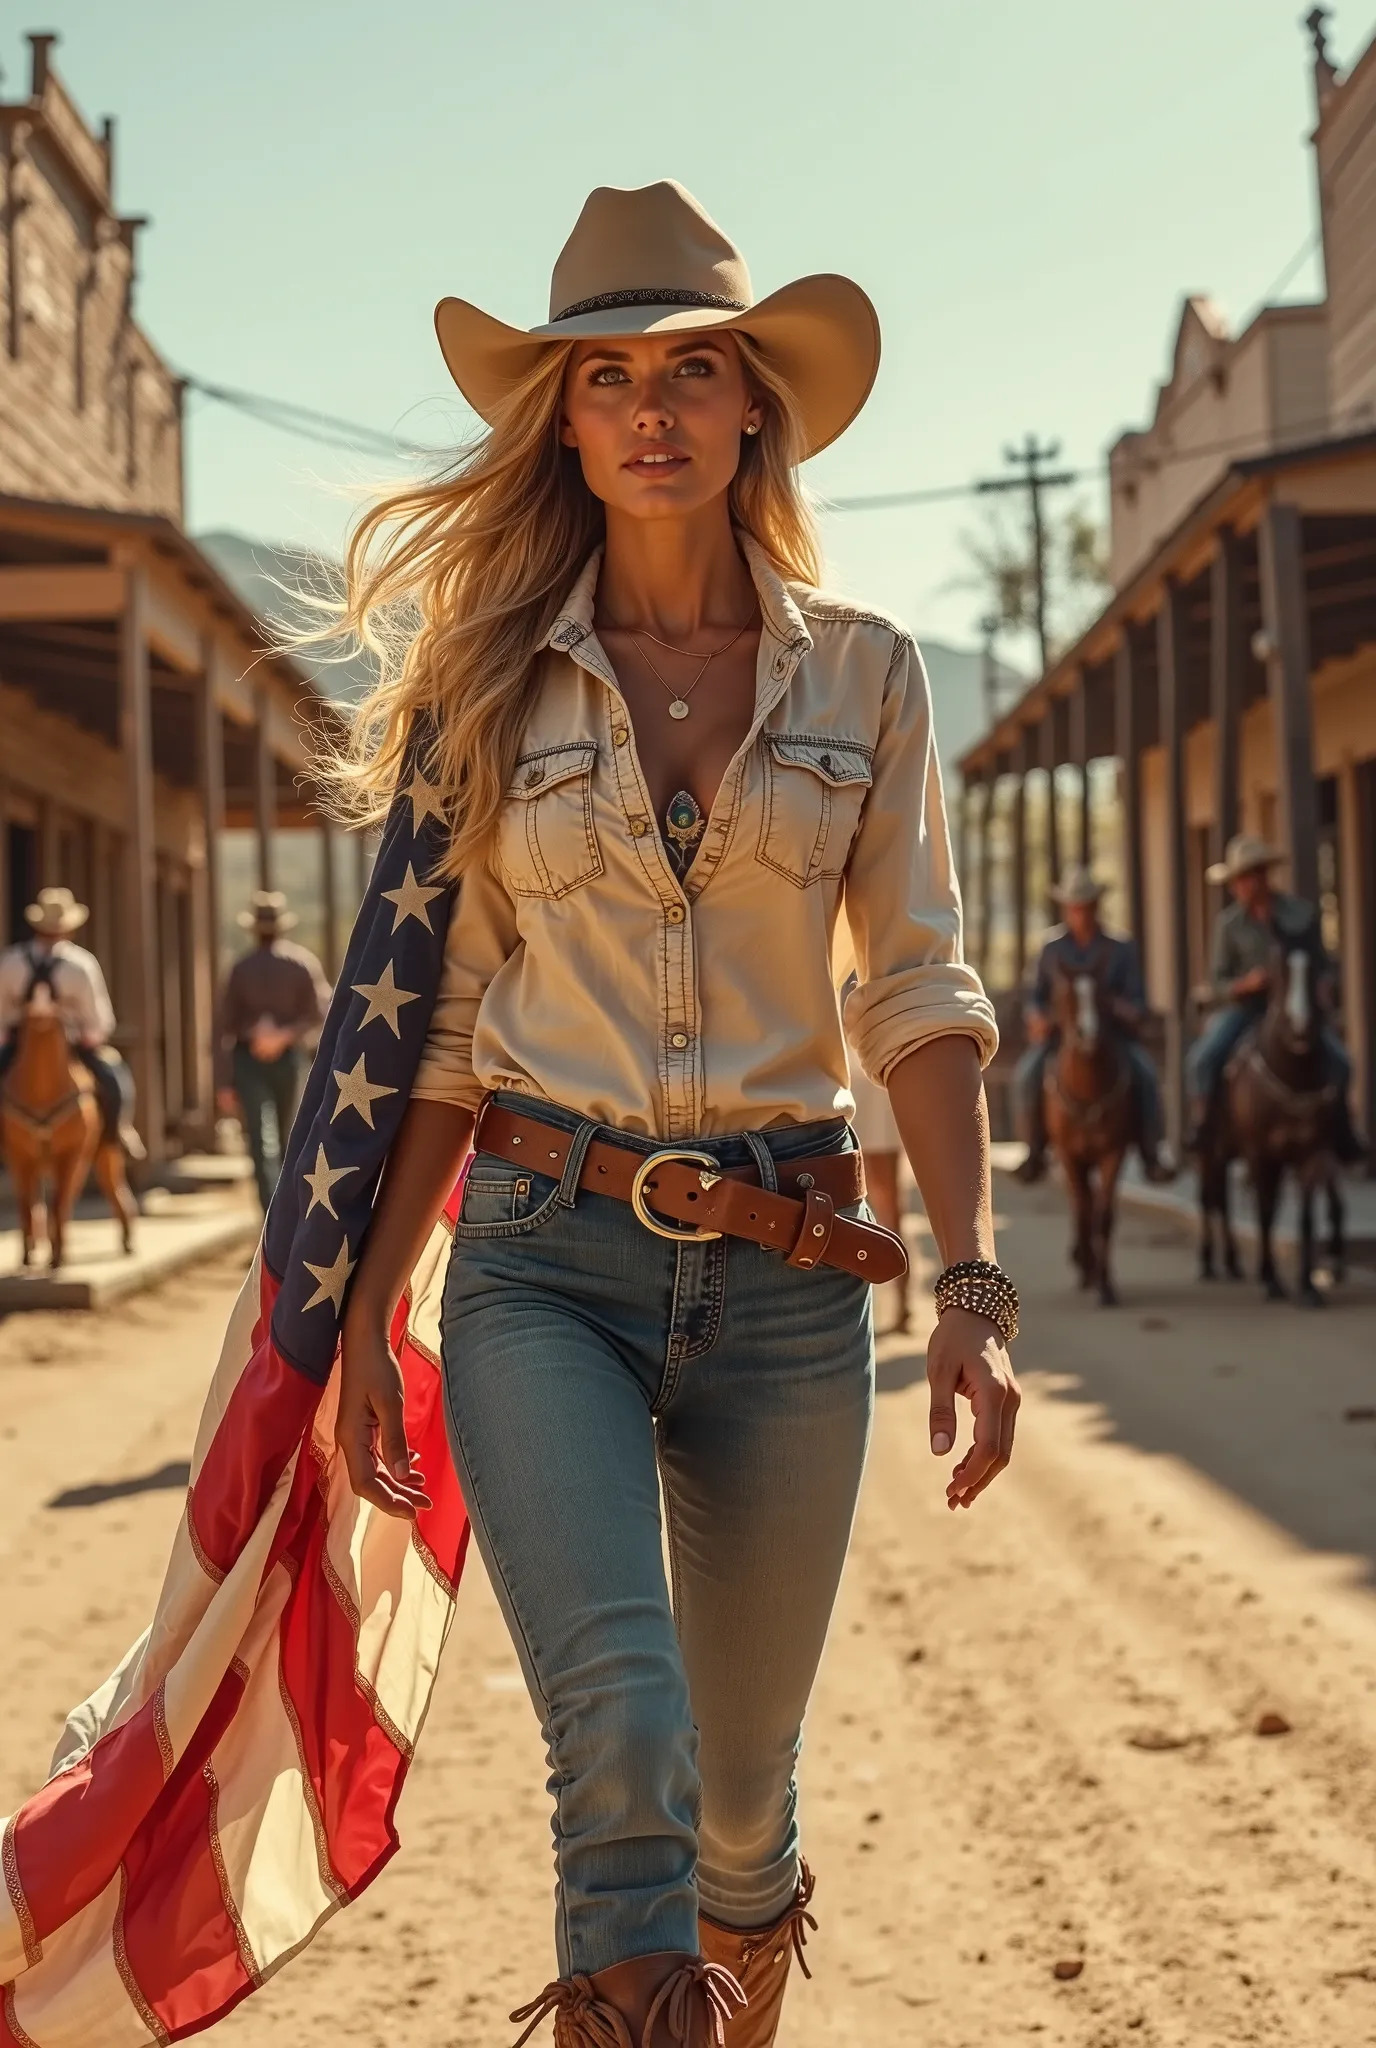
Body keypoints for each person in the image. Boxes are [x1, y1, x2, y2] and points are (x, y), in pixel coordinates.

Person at [324, 180, 1020, 2048]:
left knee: (732, 1787)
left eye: (692, 369)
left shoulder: (868, 673)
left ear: (750, 410)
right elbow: (444, 1035)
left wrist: (970, 1283)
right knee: (618, 1725)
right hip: (542, 1260)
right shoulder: (484, 683)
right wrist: (376, 1305)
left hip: (794, 1277)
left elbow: (921, 988)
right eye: (608, 372)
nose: (650, 407)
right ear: (560, 414)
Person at [1185, 833, 1364, 1160]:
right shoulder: (1228, 925)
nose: (1238, 887)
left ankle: (1344, 1131)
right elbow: (1217, 982)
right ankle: (1205, 1125)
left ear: (1261, 876)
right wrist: (1246, 984)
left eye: (1244, 878)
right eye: (1235, 880)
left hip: (1295, 1007)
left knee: (1341, 1061)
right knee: (1202, 1058)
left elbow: (1321, 964)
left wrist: (1321, 988)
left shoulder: (1301, 915)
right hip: (1248, 1008)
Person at [1014, 863, 1171, 1185]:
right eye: (1075, 908)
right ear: (1066, 909)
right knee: (1026, 1076)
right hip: (1061, 1036)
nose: (1081, 914)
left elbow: (1138, 1001)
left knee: (1145, 1074)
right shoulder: (1052, 949)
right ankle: (1034, 1151)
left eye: (1086, 907)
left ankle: (1151, 1152)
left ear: (1096, 906)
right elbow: (1036, 997)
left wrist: (1121, 1009)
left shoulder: (1120, 947)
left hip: (1112, 1036)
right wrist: (1038, 1018)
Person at [0, 885, 142, 1157]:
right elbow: (100, 1017)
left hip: (47, 1043)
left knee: (113, 1077)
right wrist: (93, 1034)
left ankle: (119, 1131)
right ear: (69, 928)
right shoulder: (80, 964)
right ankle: (120, 1130)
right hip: (48, 1042)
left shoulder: (12, 962)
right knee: (115, 1078)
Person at [216, 890, 332, 1210]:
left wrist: (225, 1079)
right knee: (288, 1136)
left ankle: (269, 1209)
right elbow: (318, 1016)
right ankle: (286, 1209)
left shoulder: (241, 967)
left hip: (249, 1059)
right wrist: (284, 1035)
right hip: (288, 1059)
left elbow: (224, 1025)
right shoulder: (302, 963)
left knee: (260, 1137)